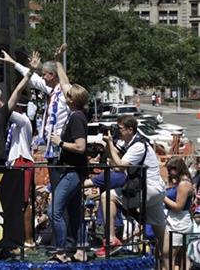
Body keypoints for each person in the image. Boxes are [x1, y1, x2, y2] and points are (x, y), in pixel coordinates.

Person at [100, 115, 168, 269]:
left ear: (131, 129)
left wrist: (110, 143)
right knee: (161, 232)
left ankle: (111, 240)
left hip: (148, 189)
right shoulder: (130, 143)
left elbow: (120, 166)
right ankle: (167, 265)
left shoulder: (137, 146)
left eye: (121, 128)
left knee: (106, 196)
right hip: (156, 191)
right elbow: (116, 164)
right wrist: (108, 144)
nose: (118, 131)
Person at [0, 48, 70, 191]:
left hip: (61, 151)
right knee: (56, 191)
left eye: (45, 74)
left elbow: (66, 83)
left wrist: (58, 62)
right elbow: (34, 79)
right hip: (52, 152)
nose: (42, 77)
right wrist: (13, 62)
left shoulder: (64, 94)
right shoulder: (51, 91)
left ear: (52, 75)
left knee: (60, 195)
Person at [48, 49, 89, 262]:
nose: (65, 93)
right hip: (71, 170)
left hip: (73, 171)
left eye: (68, 93)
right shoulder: (76, 112)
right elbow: (65, 83)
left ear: (72, 99)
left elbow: (81, 147)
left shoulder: (76, 119)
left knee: (54, 210)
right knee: (74, 211)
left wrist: (60, 142)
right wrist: (57, 62)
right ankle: (81, 248)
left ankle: (61, 251)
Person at [6, 98, 35, 248]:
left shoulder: (23, 120)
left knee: (23, 202)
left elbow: (7, 112)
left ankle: (28, 239)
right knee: (16, 202)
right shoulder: (16, 124)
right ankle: (19, 237)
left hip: (22, 161)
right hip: (14, 161)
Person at [164, 157, 193, 270]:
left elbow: (178, 207)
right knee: (179, 256)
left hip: (179, 222)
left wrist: (163, 197)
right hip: (176, 221)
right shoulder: (180, 182)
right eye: (169, 169)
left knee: (169, 255)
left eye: (173, 169)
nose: (171, 172)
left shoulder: (184, 184)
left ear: (179, 168)